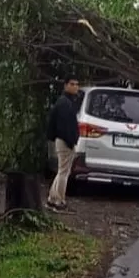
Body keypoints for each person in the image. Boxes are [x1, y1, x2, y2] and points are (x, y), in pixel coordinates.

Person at [45, 74, 80, 211]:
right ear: (66, 85)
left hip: (63, 140)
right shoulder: (65, 103)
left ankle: (52, 198)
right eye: (72, 84)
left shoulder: (66, 101)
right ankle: (59, 200)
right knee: (64, 172)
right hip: (65, 141)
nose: (75, 87)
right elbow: (64, 126)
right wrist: (71, 141)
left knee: (62, 171)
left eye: (77, 84)